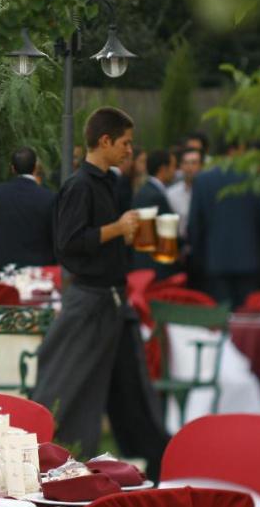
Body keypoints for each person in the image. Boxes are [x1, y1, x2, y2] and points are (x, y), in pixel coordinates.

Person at [30, 107, 169, 478]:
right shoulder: (79, 185)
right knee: (68, 389)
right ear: (105, 141)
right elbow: (69, 244)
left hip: (113, 300)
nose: (130, 149)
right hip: (89, 302)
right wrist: (116, 229)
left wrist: (134, 235)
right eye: (125, 143)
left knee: (134, 391)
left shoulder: (110, 183)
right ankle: (55, 466)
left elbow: (109, 236)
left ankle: (158, 465)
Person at [188, 143, 260, 308]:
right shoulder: (253, 178)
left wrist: (199, 259)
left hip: (216, 261)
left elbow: (195, 225)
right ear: (235, 150)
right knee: (248, 315)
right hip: (249, 259)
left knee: (222, 319)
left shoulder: (202, 180)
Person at [0, 147, 55, 269]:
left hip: (1, 269)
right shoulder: (49, 197)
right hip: (38, 271)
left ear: (12, 168)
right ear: (35, 168)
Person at [132, 149, 178, 275]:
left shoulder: (143, 191)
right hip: (155, 268)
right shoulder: (156, 196)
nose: (175, 171)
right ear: (163, 169)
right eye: (173, 166)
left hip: (142, 264)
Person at [167, 147, 203, 238]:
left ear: (201, 166)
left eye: (194, 163)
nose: (189, 167)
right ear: (181, 166)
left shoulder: (208, 193)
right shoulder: (170, 194)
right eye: (186, 163)